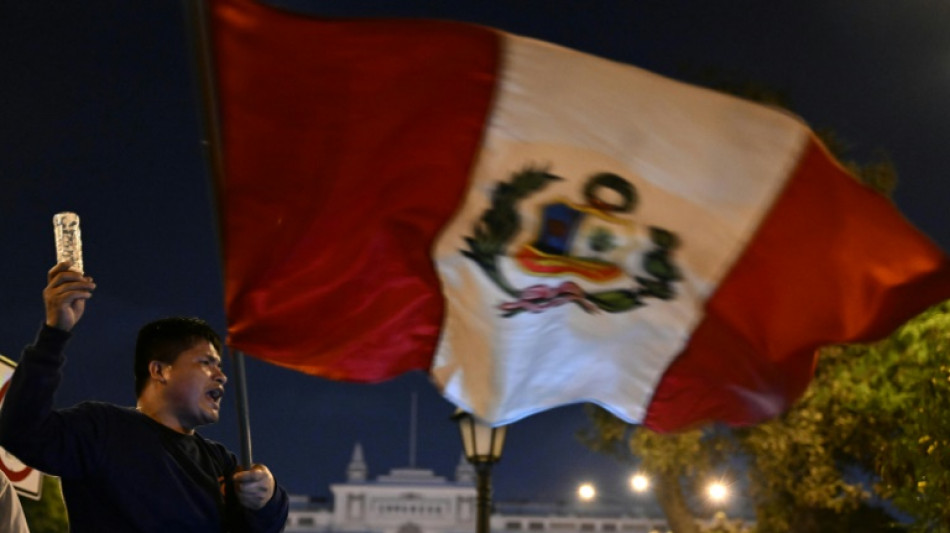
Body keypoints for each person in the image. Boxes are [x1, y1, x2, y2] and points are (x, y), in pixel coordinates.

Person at [0, 263, 288, 532]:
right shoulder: (104, 430)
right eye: (205, 362)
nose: (221, 376)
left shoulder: (220, 461)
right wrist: (54, 332)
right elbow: (22, 432)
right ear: (160, 371)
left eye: (221, 366)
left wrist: (267, 497)